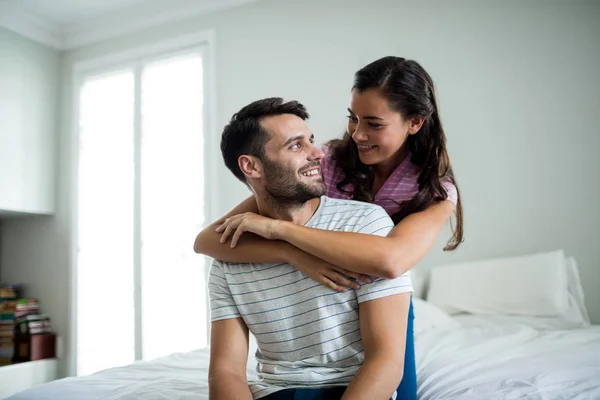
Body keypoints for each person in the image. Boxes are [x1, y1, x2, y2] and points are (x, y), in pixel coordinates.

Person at [197, 56, 464, 400]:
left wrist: (284, 234)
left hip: (379, 289)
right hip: (311, 288)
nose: (358, 133)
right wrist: (291, 254)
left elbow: (392, 261)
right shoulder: (330, 160)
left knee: (390, 377)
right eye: (352, 118)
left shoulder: (434, 189)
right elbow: (208, 240)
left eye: (374, 123)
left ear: (414, 123)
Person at [208, 97, 413, 400]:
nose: (317, 153)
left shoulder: (365, 223)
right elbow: (225, 371)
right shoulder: (230, 256)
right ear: (251, 166)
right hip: (275, 393)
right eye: (296, 145)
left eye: (311, 141)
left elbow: (386, 360)